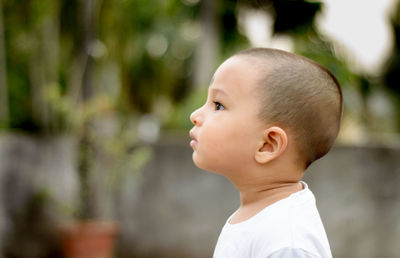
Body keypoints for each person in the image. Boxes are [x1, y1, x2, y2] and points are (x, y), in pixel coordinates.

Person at [189, 48, 342, 258]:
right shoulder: (259, 216)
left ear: (267, 145)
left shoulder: (287, 243)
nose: (195, 115)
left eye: (218, 105)